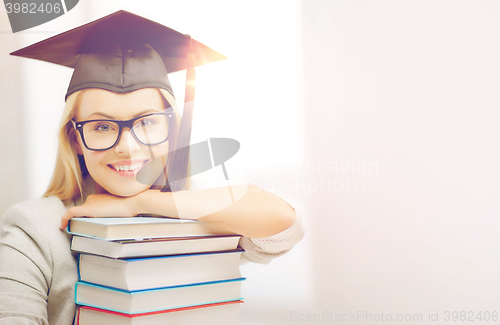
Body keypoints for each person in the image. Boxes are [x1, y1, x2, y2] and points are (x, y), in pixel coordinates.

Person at [0, 10, 305, 325]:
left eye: (146, 122)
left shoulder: (197, 214)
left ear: (172, 131)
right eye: (102, 127)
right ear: (75, 138)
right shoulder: (35, 228)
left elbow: (285, 222)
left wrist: (140, 204)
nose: (127, 146)